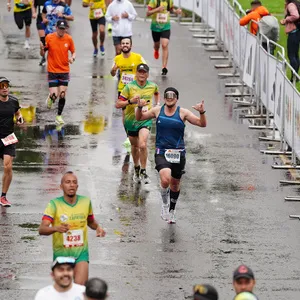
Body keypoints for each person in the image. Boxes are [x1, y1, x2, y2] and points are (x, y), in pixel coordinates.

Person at [135, 87, 206, 223]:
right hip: (161, 151)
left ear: (177, 99)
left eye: (172, 96)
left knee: (175, 184)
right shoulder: (158, 111)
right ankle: (164, 204)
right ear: (164, 98)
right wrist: (139, 108)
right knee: (165, 179)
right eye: (167, 96)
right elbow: (140, 118)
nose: (169, 98)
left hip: (178, 153)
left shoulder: (183, 113)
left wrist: (202, 112)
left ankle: (172, 210)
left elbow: (202, 124)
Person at [38, 171, 106, 285]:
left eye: (74, 182)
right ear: (61, 186)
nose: (71, 185)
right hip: (61, 255)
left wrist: (98, 227)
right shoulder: (54, 204)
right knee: (64, 291)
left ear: (77, 186)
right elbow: (42, 229)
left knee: (80, 289)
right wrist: (56, 228)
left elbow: (90, 221)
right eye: (68, 182)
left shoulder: (85, 202)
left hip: (81, 254)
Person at [116, 63, 160, 184]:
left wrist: (157, 104)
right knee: (135, 147)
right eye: (139, 72)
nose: (142, 74)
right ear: (136, 73)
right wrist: (130, 101)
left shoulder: (153, 86)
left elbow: (156, 92)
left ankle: (144, 171)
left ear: (147, 74)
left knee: (142, 144)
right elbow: (118, 104)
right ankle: (136, 167)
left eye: (144, 72)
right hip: (131, 121)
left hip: (145, 119)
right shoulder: (129, 87)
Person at [111, 37, 146, 147]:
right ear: (120, 46)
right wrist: (114, 69)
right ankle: (128, 136)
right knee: (125, 114)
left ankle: (138, 132)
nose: (125, 45)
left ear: (131, 45)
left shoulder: (138, 57)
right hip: (123, 90)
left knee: (136, 112)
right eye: (123, 43)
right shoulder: (117, 58)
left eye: (127, 43)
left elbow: (146, 69)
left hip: (136, 89)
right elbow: (112, 74)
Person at [40, 20, 76, 125]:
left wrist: (72, 58)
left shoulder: (69, 39)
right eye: (60, 28)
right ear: (56, 28)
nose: (61, 31)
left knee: (63, 94)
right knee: (55, 95)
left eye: (63, 29)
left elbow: (73, 51)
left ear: (66, 29)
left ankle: (59, 116)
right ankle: (51, 97)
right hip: (52, 70)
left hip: (64, 70)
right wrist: (41, 49)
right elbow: (43, 53)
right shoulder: (49, 38)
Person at [0, 77, 23, 208]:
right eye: (1, 86)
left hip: (8, 138)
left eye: (6, 85)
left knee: (8, 166)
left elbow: (18, 113)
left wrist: (19, 118)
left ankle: (3, 196)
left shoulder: (14, 101)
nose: (4, 88)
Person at [147, 0, 181, 76]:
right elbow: (147, 13)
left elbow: (171, 10)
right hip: (155, 27)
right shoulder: (154, 1)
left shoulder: (169, 1)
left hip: (166, 26)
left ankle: (164, 67)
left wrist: (176, 12)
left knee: (165, 45)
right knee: (157, 45)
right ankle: (156, 50)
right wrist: (157, 9)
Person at [280, 0, 300, 80]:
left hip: (294, 32)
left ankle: (294, 76)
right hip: (298, 31)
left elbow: (295, 16)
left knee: (291, 55)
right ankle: (295, 76)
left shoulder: (291, 5)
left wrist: (286, 19)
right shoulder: (296, 3)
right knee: (295, 55)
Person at [32, 0, 47, 66]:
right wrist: (34, 12)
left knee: (51, 40)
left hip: (50, 21)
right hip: (40, 20)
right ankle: (43, 57)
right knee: (43, 39)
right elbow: (33, 5)